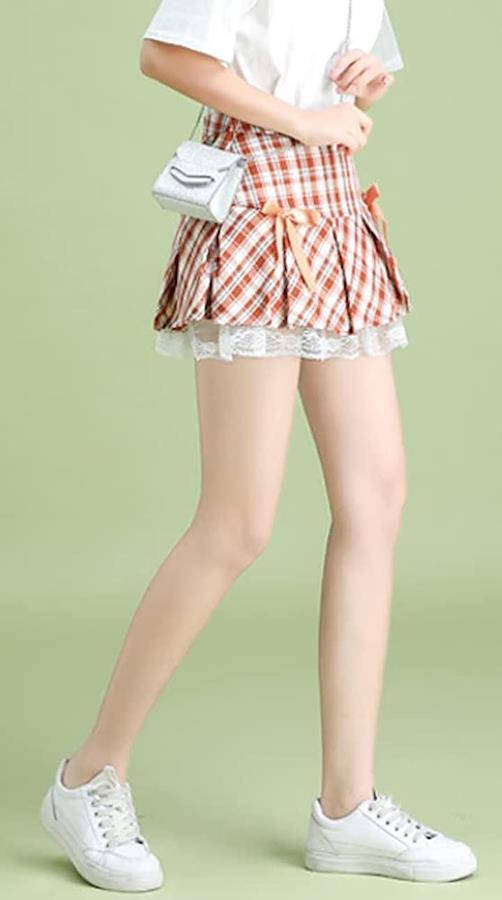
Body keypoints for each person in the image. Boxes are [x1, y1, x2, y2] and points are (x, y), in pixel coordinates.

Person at [39, 0, 478, 891]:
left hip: (333, 204)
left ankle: (347, 808)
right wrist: (303, 120)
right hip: (253, 206)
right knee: (237, 523)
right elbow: (165, 54)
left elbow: (352, 71)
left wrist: (364, 84)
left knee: (376, 500)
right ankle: (87, 777)